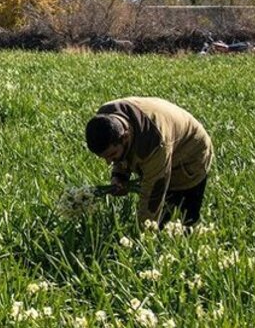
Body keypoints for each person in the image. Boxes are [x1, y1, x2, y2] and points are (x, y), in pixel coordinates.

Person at [85, 97, 212, 229]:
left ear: (126, 137)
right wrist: (119, 177)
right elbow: (121, 151)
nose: (108, 162)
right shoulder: (105, 118)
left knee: (183, 221)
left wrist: (143, 232)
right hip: (166, 135)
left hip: (190, 154)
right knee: (163, 220)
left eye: (111, 155)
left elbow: (153, 193)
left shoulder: (154, 143)